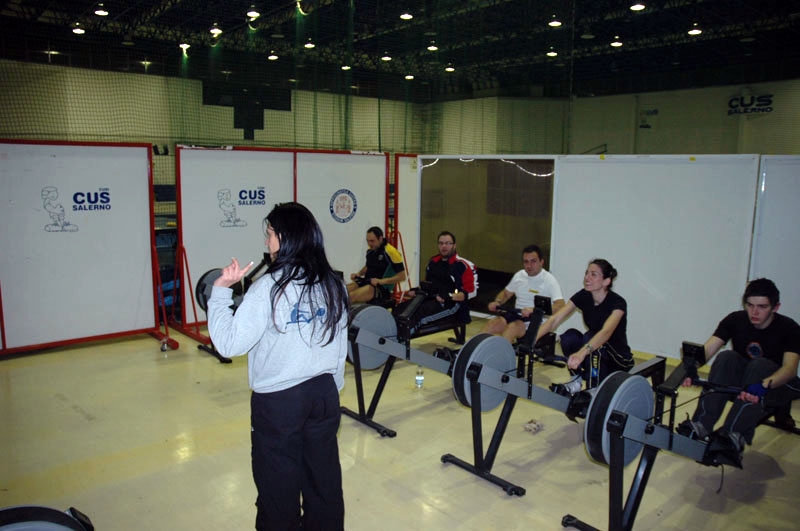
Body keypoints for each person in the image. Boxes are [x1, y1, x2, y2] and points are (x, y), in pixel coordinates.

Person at [207, 202, 348, 531]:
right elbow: (340, 344)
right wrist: (332, 390)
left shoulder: (268, 288)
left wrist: (220, 293)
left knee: (277, 488)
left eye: (270, 234)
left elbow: (229, 344)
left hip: (280, 402)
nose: (266, 241)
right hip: (324, 395)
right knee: (323, 481)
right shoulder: (334, 284)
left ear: (284, 238)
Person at [678, 278, 800, 451]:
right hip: (746, 383)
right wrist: (690, 368)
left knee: (760, 365)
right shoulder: (735, 320)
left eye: (762, 307)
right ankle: (701, 424)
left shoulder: (789, 328)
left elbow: (790, 369)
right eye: (750, 305)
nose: (754, 312)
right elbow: (708, 349)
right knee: (726, 357)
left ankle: (733, 434)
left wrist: (763, 385)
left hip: (776, 386)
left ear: (775, 307)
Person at [535, 258, 633, 394]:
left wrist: (581, 353)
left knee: (590, 337)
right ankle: (576, 381)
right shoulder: (584, 295)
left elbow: (606, 332)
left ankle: (593, 389)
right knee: (569, 337)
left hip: (618, 359)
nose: (587, 277)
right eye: (587, 273)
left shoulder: (618, 303)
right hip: (596, 356)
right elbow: (555, 319)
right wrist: (532, 338)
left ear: (606, 281)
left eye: (593, 274)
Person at [394, 230, 476, 335]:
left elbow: (466, 294)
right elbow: (429, 285)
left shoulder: (461, 265)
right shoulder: (433, 262)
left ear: (454, 246)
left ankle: (401, 340)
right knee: (400, 309)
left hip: (452, 306)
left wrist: (448, 296)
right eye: (441, 243)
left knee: (416, 316)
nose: (444, 246)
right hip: (432, 300)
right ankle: (390, 336)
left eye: (448, 243)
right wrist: (417, 290)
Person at [481, 244, 565, 344]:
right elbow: (506, 294)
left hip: (535, 322)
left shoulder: (549, 280)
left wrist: (533, 310)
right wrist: (498, 302)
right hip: (517, 315)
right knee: (492, 324)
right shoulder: (519, 275)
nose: (529, 266)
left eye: (533, 261)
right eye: (526, 262)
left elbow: (560, 305)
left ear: (541, 262)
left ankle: (502, 353)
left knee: (512, 328)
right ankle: (472, 351)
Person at [346, 226, 406, 304]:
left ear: (380, 238)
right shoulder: (370, 250)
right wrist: (359, 274)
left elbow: (402, 276)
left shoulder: (391, 252)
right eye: (367, 241)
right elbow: (368, 266)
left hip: (381, 287)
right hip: (367, 281)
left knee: (350, 296)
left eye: (372, 241)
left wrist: (381, 281)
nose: (369, 244)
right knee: (341, 291)